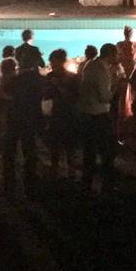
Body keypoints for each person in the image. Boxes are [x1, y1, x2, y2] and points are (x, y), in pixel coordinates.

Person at [2, 46, 46, 197]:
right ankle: (30, 186)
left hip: (14, 118)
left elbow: (5, 93)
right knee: (30, 152)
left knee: (10, 152)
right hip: (31, 119)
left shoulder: (16, 80)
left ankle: (9, 184)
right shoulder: (40, 80)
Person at [77, 43, 117, 193]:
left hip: (86, 112)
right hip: (98, 114)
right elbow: (104, 97)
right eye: (116, 54)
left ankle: (87, 181)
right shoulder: (102, 70)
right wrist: (115, 88)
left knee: (89, 150)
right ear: (111, 54)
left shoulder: (89, 65)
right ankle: (107, 183)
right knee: (107, 150)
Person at [46, 49, 80, 179]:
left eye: (55, 64)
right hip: (54, 115)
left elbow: (75, 98)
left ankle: (71, 171)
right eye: (52, 64)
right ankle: (54, 171)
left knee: (69, 146)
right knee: (54, 145)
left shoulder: (73, 78)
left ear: (63, 62)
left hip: (69, 115)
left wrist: (58, 86)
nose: (53, 67)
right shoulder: (49, 76)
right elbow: (46, 95)